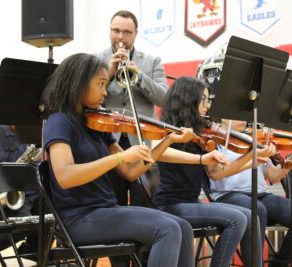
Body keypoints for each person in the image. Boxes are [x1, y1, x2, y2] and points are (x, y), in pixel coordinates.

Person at [41, 53, 202, 267]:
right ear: (78, 84)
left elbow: (130, 171)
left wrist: (167, 141)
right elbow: (65, 176)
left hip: (105, 211)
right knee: (167, 229)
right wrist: (118, 157)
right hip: (76, 219)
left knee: (182, 226)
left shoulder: (95, 122)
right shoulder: (59, 121)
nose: (105, 92)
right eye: (100, 84)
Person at [151, 76, 277, 267]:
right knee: (237, 219)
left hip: (191, 202)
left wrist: (250, 158)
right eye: (204, 99)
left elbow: (217, 173)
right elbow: (158, 153)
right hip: (170, 205)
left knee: (249, 215)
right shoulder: (164, 130)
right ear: (189, 99)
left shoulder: (201, 132)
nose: (208, 106)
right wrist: (200, 158)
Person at [210, 119, 292, 267]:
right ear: (223, 116)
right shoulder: (214, 141)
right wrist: (250, 158)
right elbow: (216, 173)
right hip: (228, 195)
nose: (243, 120)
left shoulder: (253, 140)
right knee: (257, 208)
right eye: (237, 115)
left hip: (260, 195)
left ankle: (279, 264)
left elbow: (274, 175)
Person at [97, 10, 169, 205]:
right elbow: (85, 98)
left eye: (126, 32)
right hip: (109, 143)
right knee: (112, 206)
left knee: (144, 205)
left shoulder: (152, 62)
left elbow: (164, 98)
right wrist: (109, 74)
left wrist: (140, 77)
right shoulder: (95, 61)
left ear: (135, 33)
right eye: (116, 31)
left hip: (142, 142)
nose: (120, 37)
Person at [0, 125, 40, 259]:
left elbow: (36, 171)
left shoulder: (32, 136)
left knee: (44, 220)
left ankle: (30, 256)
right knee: (21, 226)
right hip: (0, 194)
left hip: (21, 195)